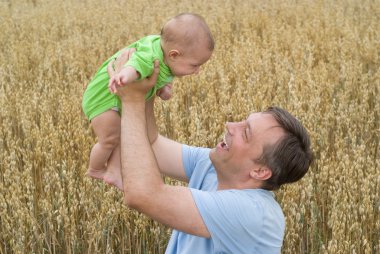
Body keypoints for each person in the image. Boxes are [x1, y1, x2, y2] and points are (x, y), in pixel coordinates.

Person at [114, 50, 314, 253]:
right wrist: (149, 85)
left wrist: (132, 100)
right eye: (243, 121)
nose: (229, 125)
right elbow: (152, 145)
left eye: (245, 133)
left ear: (260, 171)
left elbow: (143, 195)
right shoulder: (214, 166)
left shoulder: (254, 213)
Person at [82, 13, 214, 189]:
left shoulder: (166, 56)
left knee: (123, 134)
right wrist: (123, 77)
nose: (197, 71)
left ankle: (113, 171)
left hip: (114, 100)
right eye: (195, 65)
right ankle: (95, 169)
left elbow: (161, 79)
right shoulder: (151, 56)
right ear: (174, 55)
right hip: (102, 99)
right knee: (109, 138)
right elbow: (135, 66)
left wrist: (163, 89)